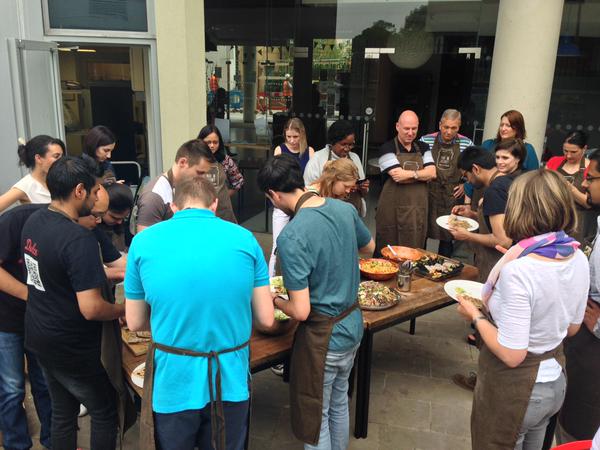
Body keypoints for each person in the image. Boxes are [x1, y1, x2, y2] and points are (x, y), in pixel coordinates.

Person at [125, 177, 275, 450]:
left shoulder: (143, 242)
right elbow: (266, 318)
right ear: (215, 204)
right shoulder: (246, 239)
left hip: (173, 381)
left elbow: (135, 321)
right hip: (230, 379)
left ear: (172, 207)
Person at [455, 169, 589, 450]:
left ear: (519, 209)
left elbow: (512, 354)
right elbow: (573, 328)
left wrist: (476, 316)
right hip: (554, 383)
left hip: (518, 390)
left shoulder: (520, 271)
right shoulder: (576, 255)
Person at [257, 154, 375, 450]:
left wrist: (276, 299)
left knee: (315, 417)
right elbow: (370, 249)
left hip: (325, 339)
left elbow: (301, 310)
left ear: (274, 194)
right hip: (353, 326)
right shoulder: (343, 209)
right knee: (338, 403)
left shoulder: (292, 235)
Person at [22, 156, 126, 450]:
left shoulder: (34, 220)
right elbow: (91, 308)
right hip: (71, 346)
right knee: (105, 412)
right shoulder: (77, 239)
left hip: (40, 337)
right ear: (79, 191)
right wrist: (123, 310)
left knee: (62, 412)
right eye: (94, 192)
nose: (96, 200)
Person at [0, 204, 53, 450]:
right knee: (12, 389)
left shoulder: (73, 227)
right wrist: (31, 297)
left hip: (38, 318)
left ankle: (54, 441)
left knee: (45, 383)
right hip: (6, 320)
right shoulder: (16, 220)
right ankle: (16, 445)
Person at [556, 149, 600, 444]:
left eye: (592, 178)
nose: (584, 185)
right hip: (583, 343)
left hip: (594, 351)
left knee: (577, 430)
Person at [135, 139, 236, 233]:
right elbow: (145, 245)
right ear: (182, 162)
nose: (203, 178)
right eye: (200, 172)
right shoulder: (154, 197)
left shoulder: (181, 186)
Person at [375, 110, 436, 253]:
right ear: (397, 127)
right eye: (406, 128)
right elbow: (398, 177)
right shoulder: (386, 148)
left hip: (417, 210)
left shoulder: (424, 147)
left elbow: (432, 173)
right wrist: (421, 175)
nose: (410, 133)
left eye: (414, 129)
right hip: (392, 210)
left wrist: (410, 174)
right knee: (388, 250)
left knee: (415, 251)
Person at [449, 146, 513, 282]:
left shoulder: (494, 191)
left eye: (466, 176)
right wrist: (472, 214)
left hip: (500, 266)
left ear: (476, 169)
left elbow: (503, 241)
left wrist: (467, 235)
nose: (468, 181)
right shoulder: (507, 181)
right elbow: (503, 220)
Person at [420, 109, 473, 257]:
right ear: (440, 124)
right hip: (429, 191)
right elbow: (418, 165)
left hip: (452, 194)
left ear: (459, 126)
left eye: (454, 128)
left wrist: (466, 185)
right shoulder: (426, 140)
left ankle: (444, 269)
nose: (449, 132)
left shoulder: (467, 143)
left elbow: (474, 169)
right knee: (423, 230)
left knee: (448, 235)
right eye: (445, 127)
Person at [464, 109, 540, 206]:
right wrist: (467, 203)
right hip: (481, 197)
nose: (503, 129)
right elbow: (474, 173)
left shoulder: (528, 149)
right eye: (501, 125)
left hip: (511, 201)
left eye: (508, 125)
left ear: (518, 128)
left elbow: (533, 182)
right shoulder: (488, 145)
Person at [269, 118, 315, 276]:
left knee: (301, 245)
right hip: (283, 202)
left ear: (302, 134)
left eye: (295, 137)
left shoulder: (309, 151)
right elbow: (274, 178)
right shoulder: (280, 150)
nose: (292, 140)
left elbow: (312, 179)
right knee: (277, 245)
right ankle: (271, 283)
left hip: (302, 203)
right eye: (288, 136)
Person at [303, 119, 369, 217]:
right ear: (332, 142)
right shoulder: (318, 158)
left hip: (352, 209)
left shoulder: (354, 158)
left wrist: (362, 188)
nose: (347, 148)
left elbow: (363, 190)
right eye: (343, 144)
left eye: (350, 144)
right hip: (326, 211)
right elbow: (309, 191)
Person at [547, 131, 597, 246]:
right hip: (552, 218)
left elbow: (590, 203)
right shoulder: (554, 162)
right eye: (565, 151)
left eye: (574, 152)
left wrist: (571, 190)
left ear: (584, 149)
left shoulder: (591, 169)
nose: (568, 155)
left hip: (578, 223)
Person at [0, 135, 64, 213]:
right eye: (56, 156)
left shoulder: (58, 179)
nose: (62, 160)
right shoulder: (25, 186)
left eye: (62, 156)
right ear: (38, 158)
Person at [198, 125, 245, 197]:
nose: (212, 145)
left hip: (221, 206)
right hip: (198, 204)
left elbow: (238, 181)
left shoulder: (226, 160)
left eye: (215, 142)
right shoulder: (194, 159)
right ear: (200, 142)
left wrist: (224, 197)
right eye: (208, 142)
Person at [97, 181, 134, 252]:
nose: (119, 222)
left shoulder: (120, 227)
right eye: (114, 217)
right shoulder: (91, 228)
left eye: (124, 218)